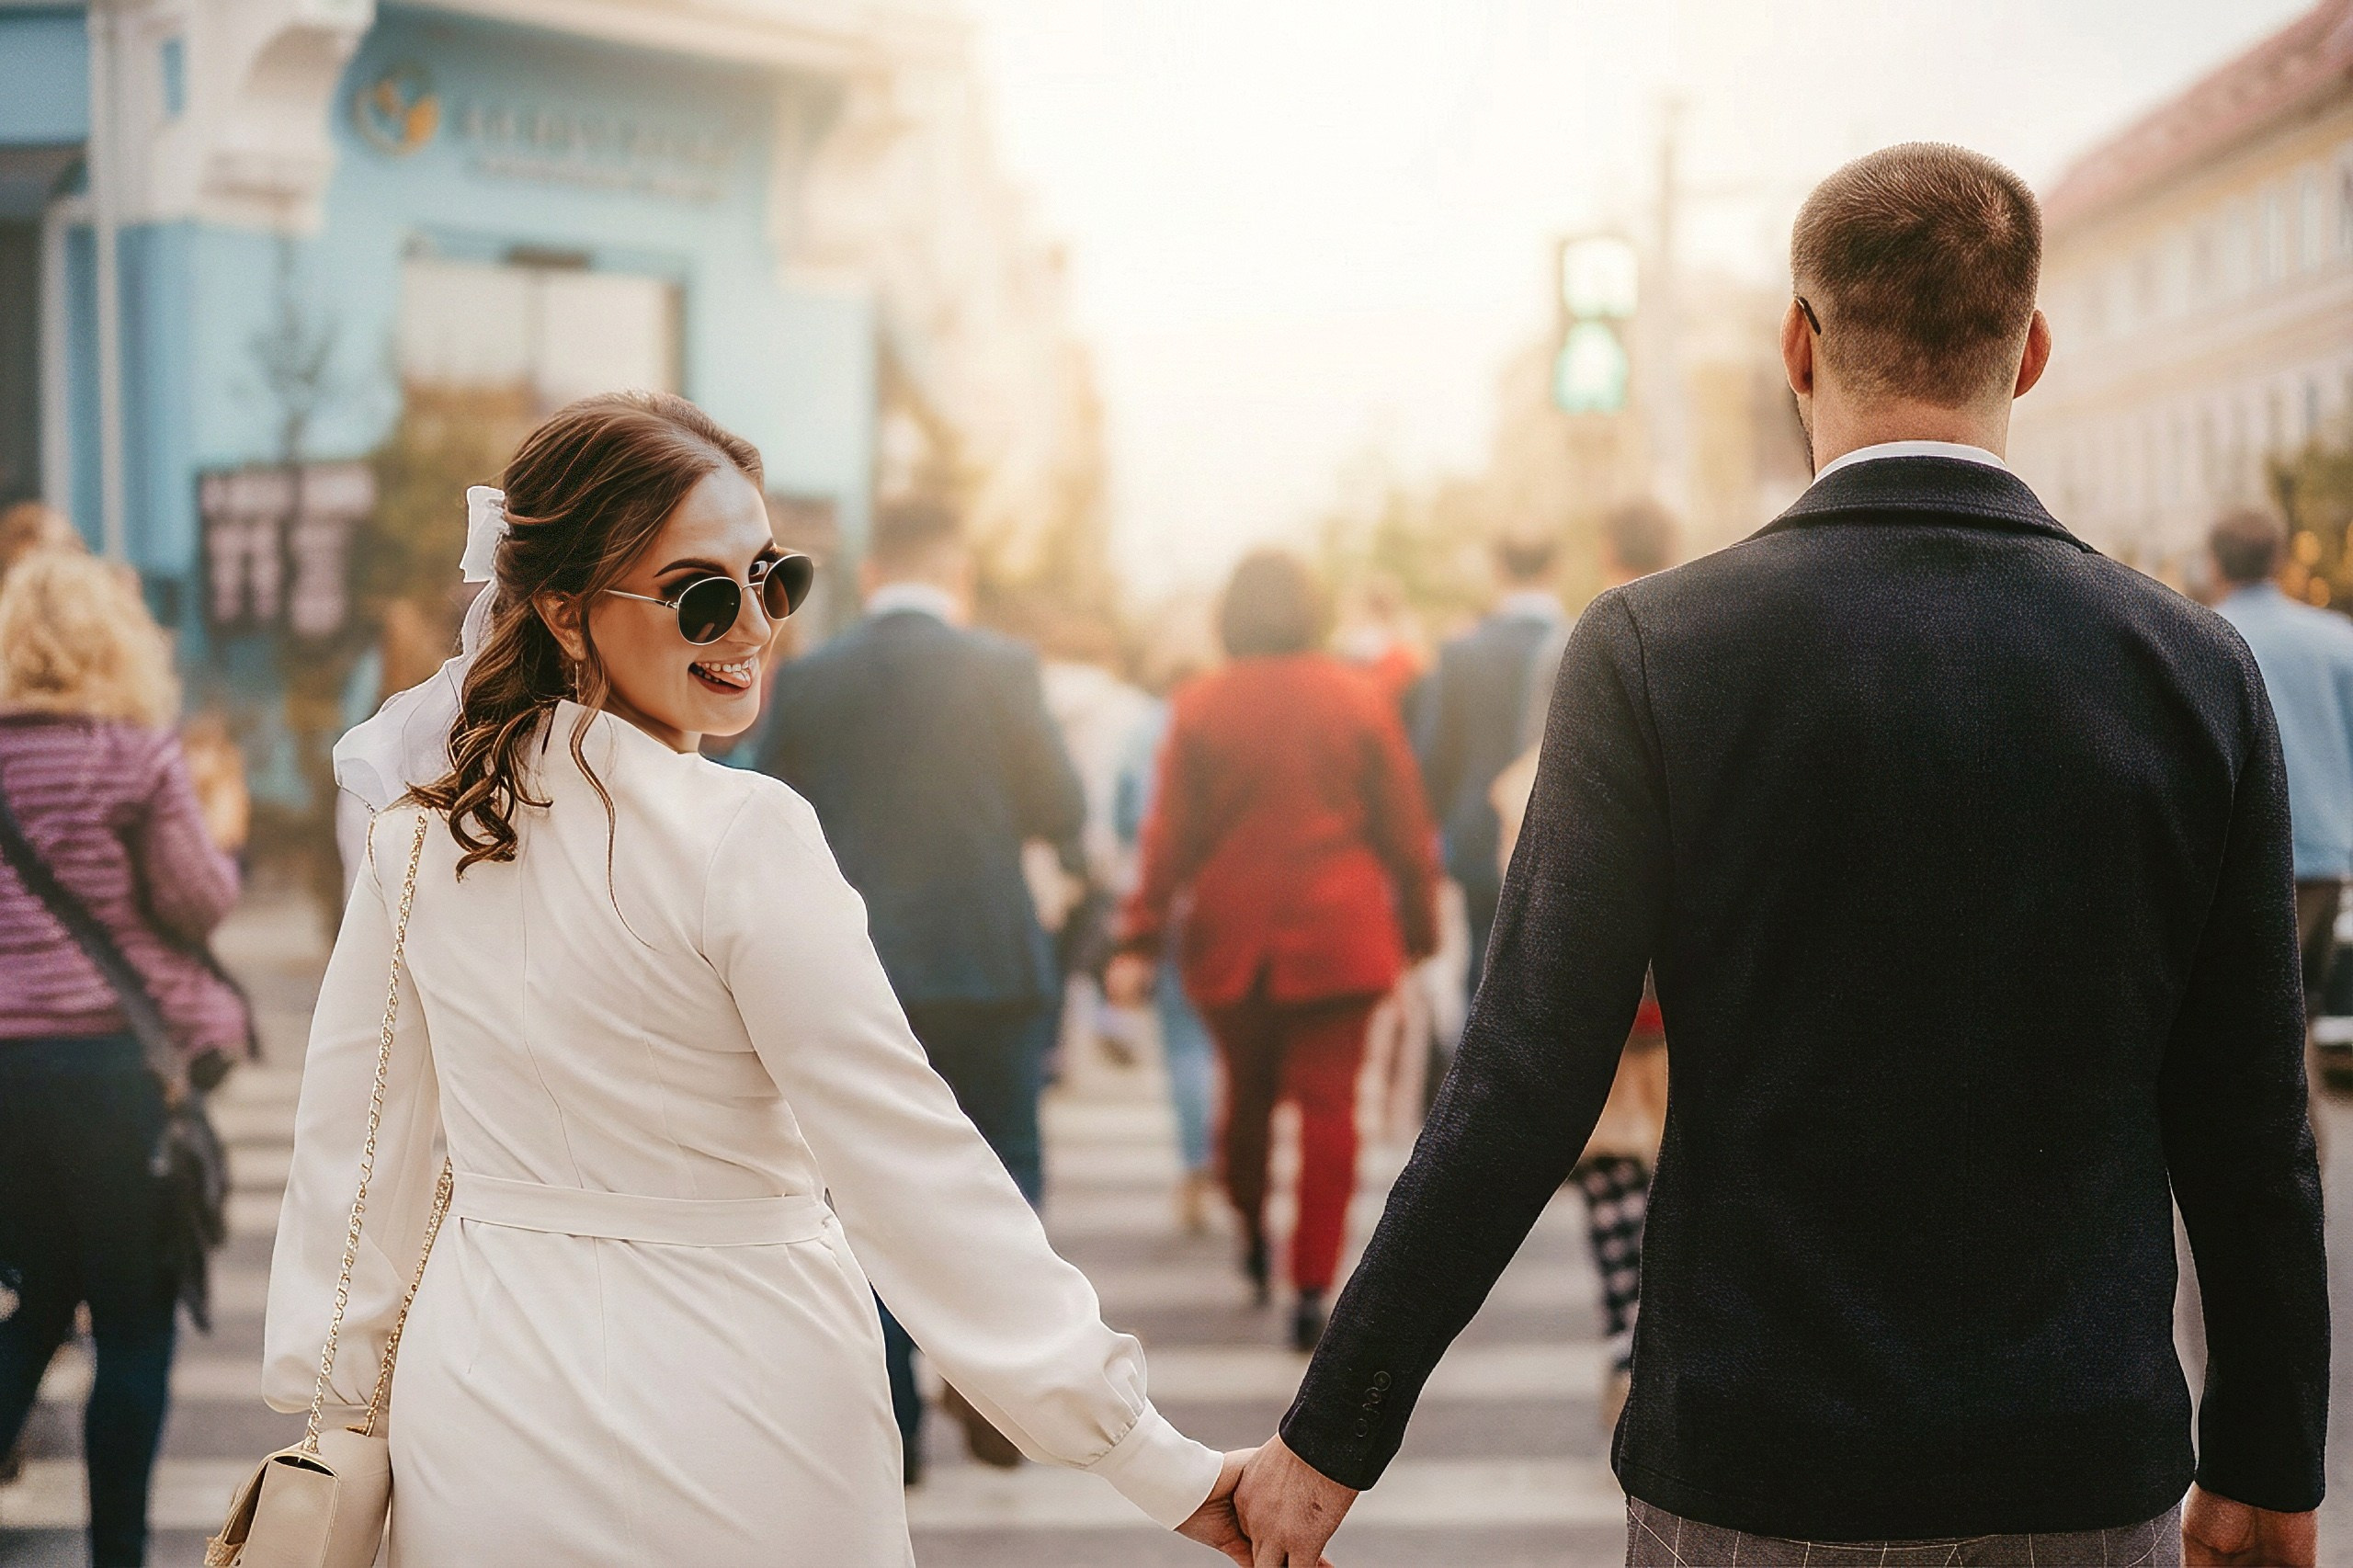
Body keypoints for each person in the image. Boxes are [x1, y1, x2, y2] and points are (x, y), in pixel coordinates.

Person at [1235, 143, 2329, 1568]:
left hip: (1757, 1457)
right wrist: (2266, 1461)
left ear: (1797, 348)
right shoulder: (2193, 670)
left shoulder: (1654, 652)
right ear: (2032, 350)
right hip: (2080, 1455)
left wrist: (1331, 1436)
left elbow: (1523, 1079)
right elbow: (2251, 1118)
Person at [264, 393, 1253, 1566]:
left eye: (774, 578)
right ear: (566, 609)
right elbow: (907, 1162)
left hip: (480, 1401)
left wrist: (336, 1398)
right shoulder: (745, 834)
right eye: (700, 593)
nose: (752, 625)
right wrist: (1147, 1456)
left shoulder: (421, 833)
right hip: (743, 1393)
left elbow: (352, 1157)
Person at [756, 498, 1089, 1479]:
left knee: (864, 1186)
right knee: (1004, 1171)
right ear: (959, 576)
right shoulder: (1003, 668)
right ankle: (996, 1384)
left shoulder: (811, 678)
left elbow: (771, 812)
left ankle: (895, 1415)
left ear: (871, 576)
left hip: (857, 971)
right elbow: (1060, 805)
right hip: (989, 962)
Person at [1107, 551, 1439, 1352]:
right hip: (1340, 936)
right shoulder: (1358, 698)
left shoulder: (1201, 705)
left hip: (1234, 937)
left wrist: (1140, 935)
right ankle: (1313, 1284)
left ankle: (1253, 1230)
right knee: (1332, 1111)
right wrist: (1420, 931)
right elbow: (1405, 827)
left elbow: (1169, 837)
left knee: (1245, 1100)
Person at [0, 549, 249, 1568]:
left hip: (5, 1073)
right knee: (136, 1325)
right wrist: (221, 837)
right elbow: (199, 898)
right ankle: (117, 1555)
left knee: (40, 1299)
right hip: (111, 1074)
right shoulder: (135, 757)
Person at [1489, 496, 1679, 1432]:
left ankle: (1623, 1338)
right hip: (1685, 954)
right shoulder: (1720, 629)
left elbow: (1541, 794)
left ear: (1604, 548)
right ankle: (1664, 1337)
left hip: (1602, 952)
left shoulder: (1572, 645)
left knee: (1608, 1164)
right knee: (1676, 1156)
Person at [2209, 507, 2353, 1052]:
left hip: (2240, 858)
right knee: (2301, 1015)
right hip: (2325, 855)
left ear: (2214, 563)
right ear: (2280, 559)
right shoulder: (2337, 639)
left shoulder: (2199, 636)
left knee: (2254, 1027)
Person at [1415, 531, 1564, 1007]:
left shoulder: (1462, 653)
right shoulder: (1580, 639)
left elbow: (1436, 755)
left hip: (1479, 833)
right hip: (1560, 835)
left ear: (1499, 570)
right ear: (1553, 569)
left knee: (1482, 976)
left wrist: (1442, 823)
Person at [1111, 619, 1221, 1233]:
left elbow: (1124, 815)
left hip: (1165, 898)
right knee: (1223, 1041)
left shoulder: (1142, 731)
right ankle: (1225, 1154)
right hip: (1222, 898)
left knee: (1182, 1044)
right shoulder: (1224, 723)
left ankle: (1193, 1164)